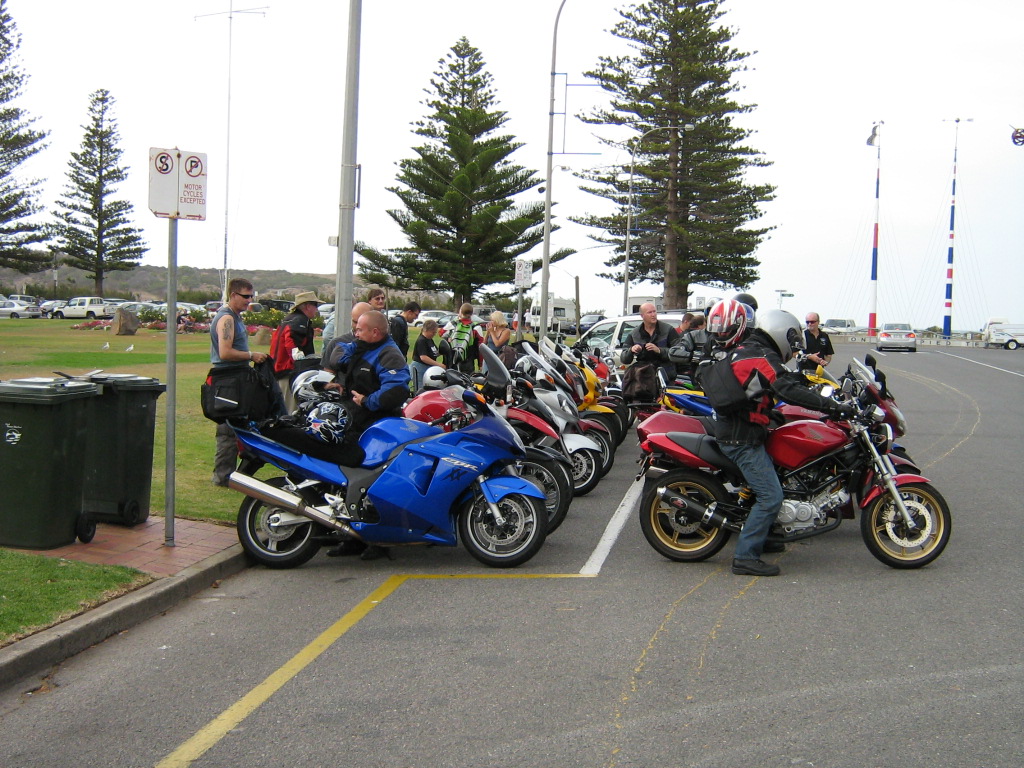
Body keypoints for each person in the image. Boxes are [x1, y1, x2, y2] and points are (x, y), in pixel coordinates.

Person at [704, 299, 855, 577]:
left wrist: (812, 388)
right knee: (770, 496)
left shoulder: (753, 351)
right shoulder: (758, 355)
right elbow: (785, 388)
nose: (793, 348)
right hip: (741, 439)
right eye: (792, 340)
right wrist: (833, 407)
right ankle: (745, 557)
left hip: (746, 430)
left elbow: (780, 381)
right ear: (780, 333)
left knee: (779, 480)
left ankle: (766, 534)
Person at [324, 310, 411, 561]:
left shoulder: (389, 354)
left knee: (374, 482)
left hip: (379, 427)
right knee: (346, 478)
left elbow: (396, 390)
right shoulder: (362, 346)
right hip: (355, 421)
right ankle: (350, 537)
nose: (356, 333)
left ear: (375, 332)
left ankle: (378, 539)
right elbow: (338, 355)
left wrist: (367, 401)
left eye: (360, 329)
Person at [210, 278, 270, 487]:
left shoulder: (234, 317)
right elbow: (225, 352)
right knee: (228, 429)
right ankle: (223, 477)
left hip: (237, 379)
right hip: (228, 380)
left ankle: (235, 475)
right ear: (233, 295)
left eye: (251, 296)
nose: (249, 300)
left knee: (242, 425)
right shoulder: (226, 318)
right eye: (245, 296)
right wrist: (251, 355)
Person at [270, 291, 324, 412]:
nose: (316, 309)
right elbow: (291, 343)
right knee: (291, 409)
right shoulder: (300, 320)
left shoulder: (290, 319)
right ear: (307, 306)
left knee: (285, 406)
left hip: (280, 370)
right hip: (288, 372)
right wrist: (301, 364)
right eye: (315, 305)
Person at [620, 302, 680, 384]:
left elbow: (678, 352)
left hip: (666, 378)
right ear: (642, 316)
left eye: (654, 311)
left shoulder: (668, 330)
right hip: (643, 379)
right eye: (649, 312)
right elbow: (624, 359)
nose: (653, 315)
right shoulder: (634, 334)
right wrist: (631, 350)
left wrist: (659, 350)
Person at [323, 301, 373, 373]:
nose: (357, 326)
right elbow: (327, 376)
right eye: (355, 322)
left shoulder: (381, 345)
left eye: (361, 323)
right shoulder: (336, 343)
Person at [442, 303, 485, 374]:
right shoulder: (476, 327)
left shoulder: (453, 324)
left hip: (453, 361)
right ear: (471, 314)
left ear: (460, 312)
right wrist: (480, 364)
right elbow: (480, 347)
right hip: (468, 362)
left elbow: (441, 333)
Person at [410, 318, 443, 391]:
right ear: (426, 330)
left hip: (427, 369)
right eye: (433, 332)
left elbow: (435, 352)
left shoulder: (429, 340)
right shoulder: (421, 340)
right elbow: (424, 357)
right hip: (419, 368)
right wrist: (439, 365)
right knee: (421, 390)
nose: (434, 334)